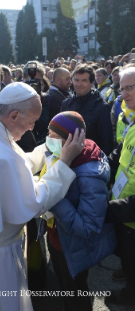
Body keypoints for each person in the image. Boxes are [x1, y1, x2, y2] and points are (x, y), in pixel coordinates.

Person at [0, 82, 85, 311]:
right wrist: (64, 162)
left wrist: (46, 149)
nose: (32, 128)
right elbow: (35, 201)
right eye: (31, 122)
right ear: (13, 115)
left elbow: (18, 164)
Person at [39, 111, 116, 311]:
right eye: (49, 133)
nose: (49, 140)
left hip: (73, 247)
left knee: (75, 293)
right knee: (65, 288)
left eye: (55, 137)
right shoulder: (59, 155)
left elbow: (88, 226)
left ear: (72, 139)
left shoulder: (88, 173)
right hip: (56, 238)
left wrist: (53, 197)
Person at [105, 66, 135, 307]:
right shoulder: (133, 121)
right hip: (125, 213)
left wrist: (107, 210)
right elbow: (119, 152)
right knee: (128, 259)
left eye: (131, 87)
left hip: (129, 212)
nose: (124, 93)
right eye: (122, 88)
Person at [61, 64, 113, 156]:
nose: (79, 84)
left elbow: (106, 143)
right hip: (66, 158)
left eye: (84, 80)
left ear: (92, 82)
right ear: (72, 80)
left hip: (90, 161)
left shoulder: (102, 107)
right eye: (76, 80)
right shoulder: (66, 104)